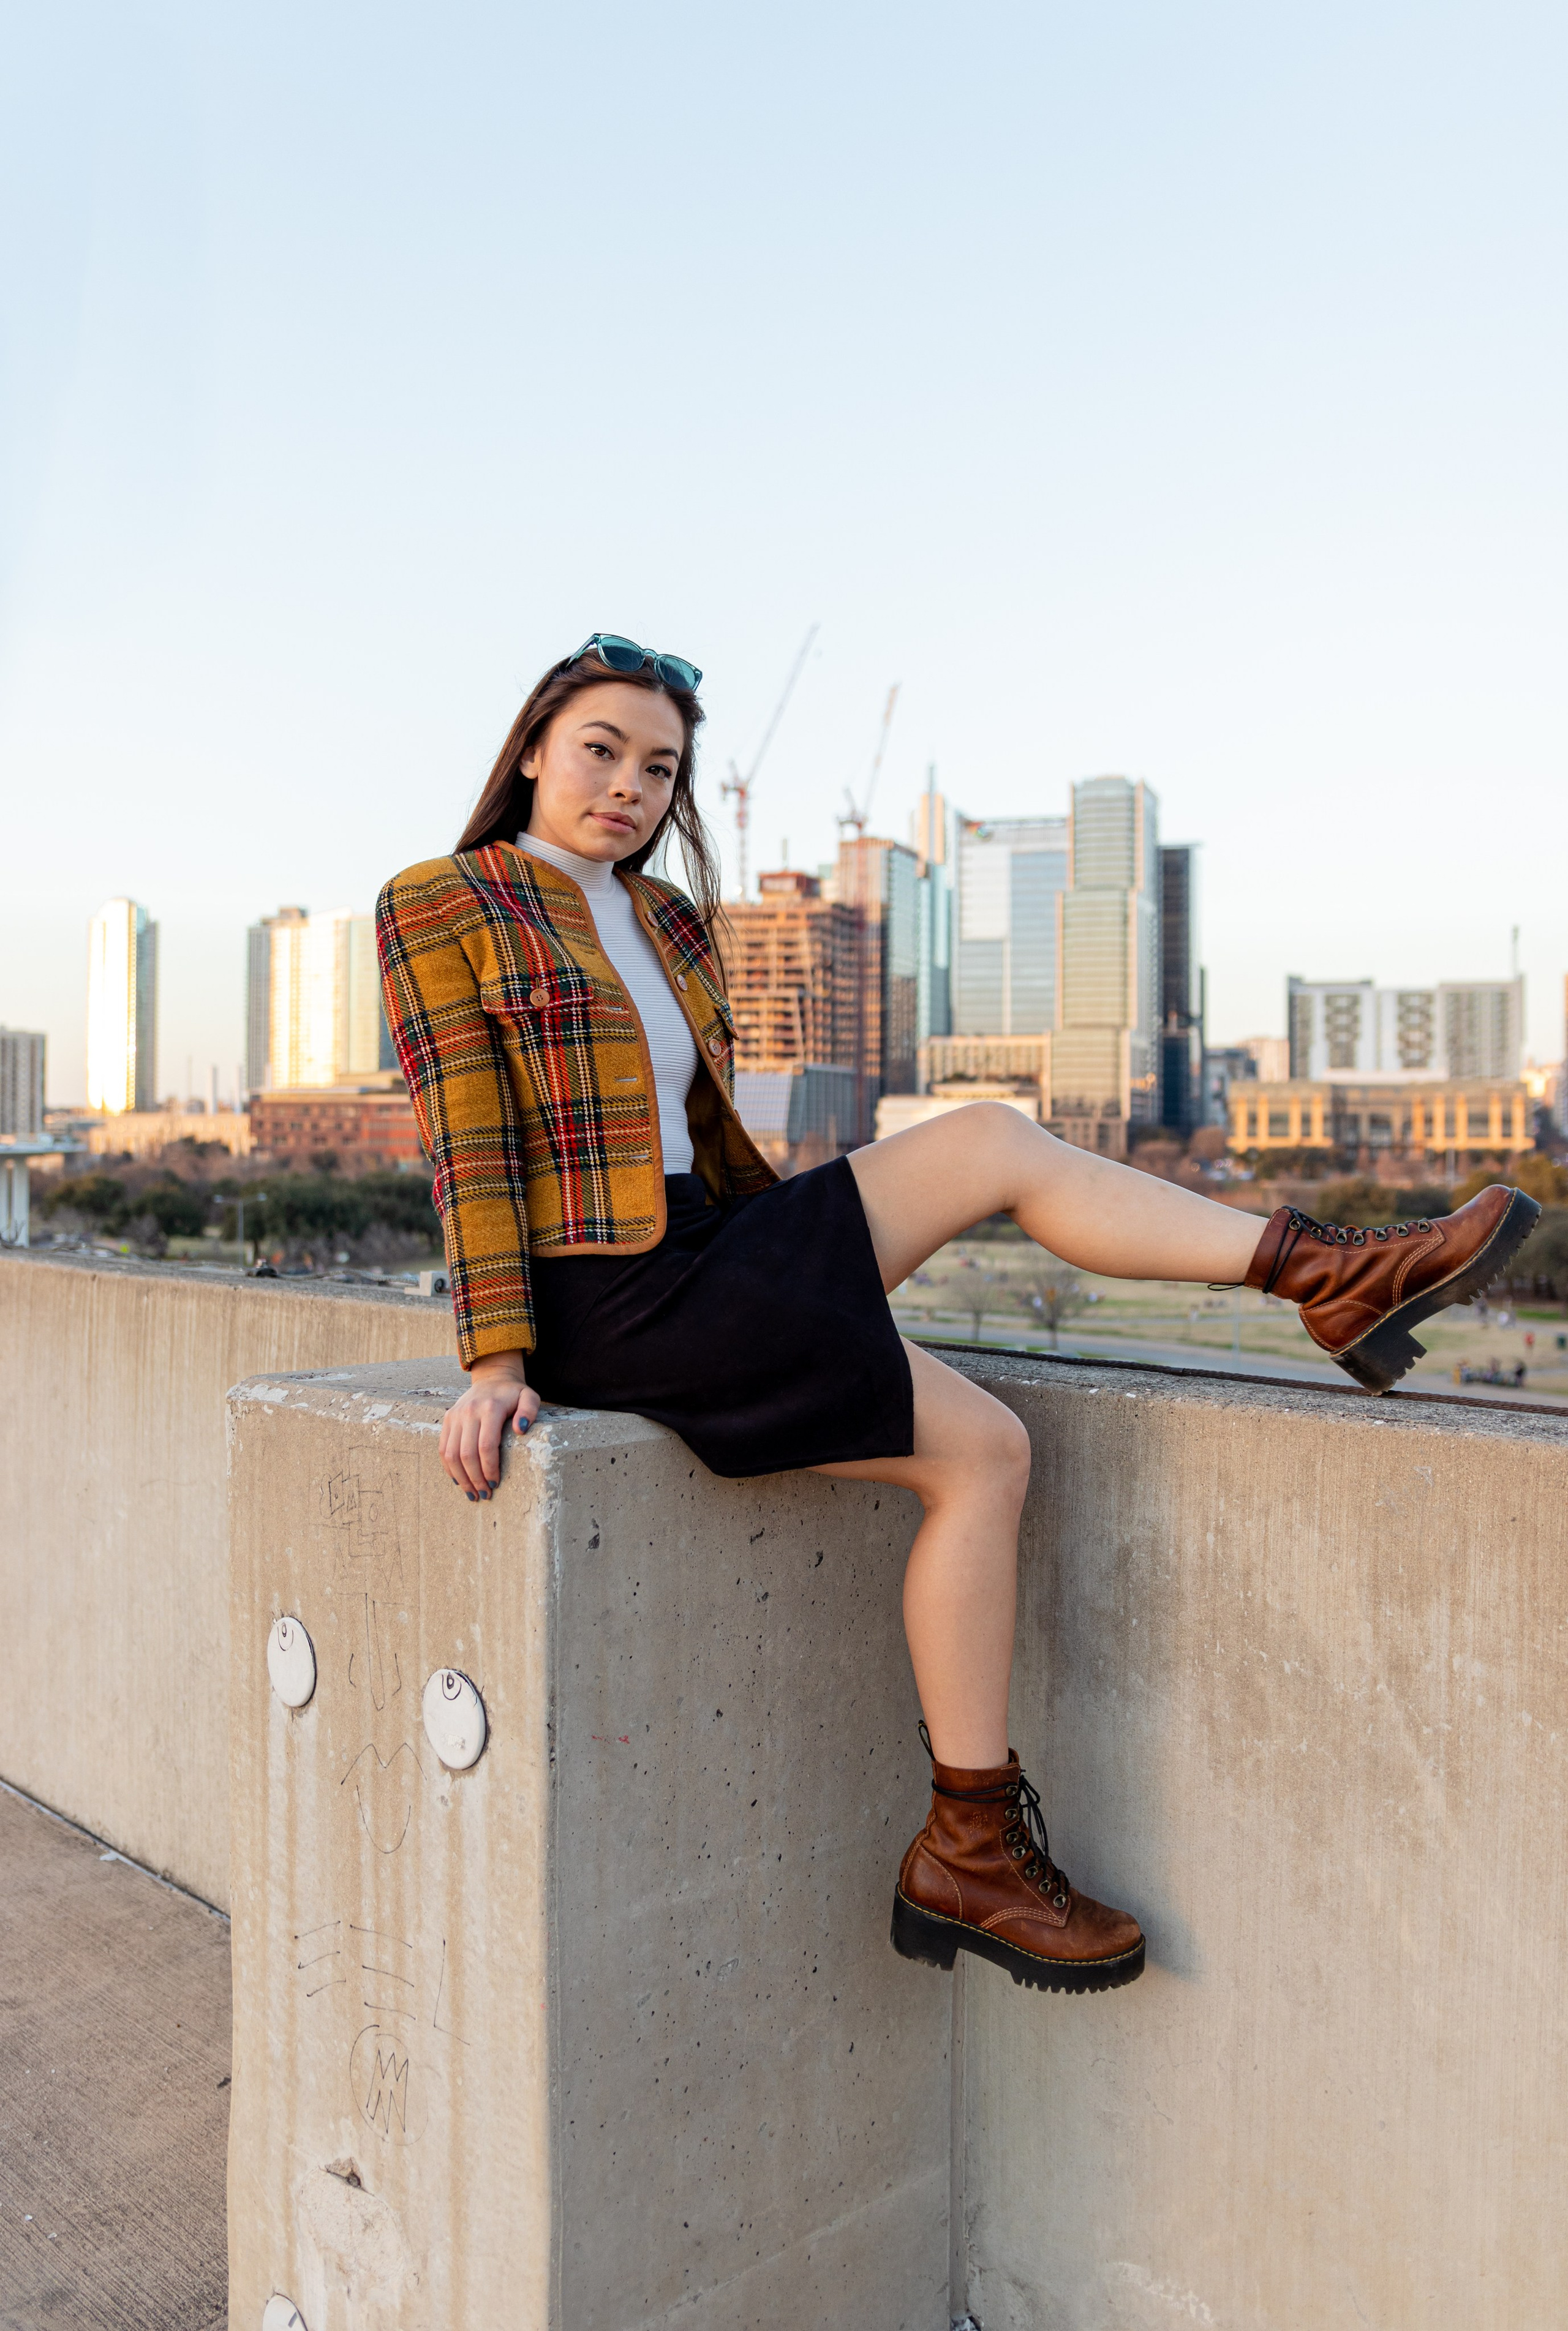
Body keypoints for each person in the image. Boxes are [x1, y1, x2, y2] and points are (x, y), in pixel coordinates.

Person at [377, 636, 1539, 1999]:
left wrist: (803, 1237)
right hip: (606, 1292)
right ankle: (971, 1840)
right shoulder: (444, 903)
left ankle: (1321, 1280)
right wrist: (496, 1362)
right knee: (981, 1368)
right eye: (601, 750)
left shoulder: (672, 920)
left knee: (987, 1236)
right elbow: (466, 1142)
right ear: (530, 749)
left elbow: (705, 1138)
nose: (630, 785)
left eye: (659, 767)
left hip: (713, 1244)